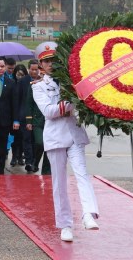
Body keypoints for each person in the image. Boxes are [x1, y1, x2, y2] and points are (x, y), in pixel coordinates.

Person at [31, 41, 99, 243]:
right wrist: (71, 102)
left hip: (74, 133)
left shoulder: (71, 81)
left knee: (82, 174)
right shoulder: (39, 87)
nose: (51, 64)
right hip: (55, 137)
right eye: (47, 61)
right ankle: (65, 225)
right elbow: (49, 112)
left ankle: (89, 213)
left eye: (54, 60)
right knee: (59, 183)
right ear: (41, 65)